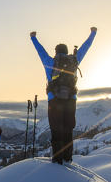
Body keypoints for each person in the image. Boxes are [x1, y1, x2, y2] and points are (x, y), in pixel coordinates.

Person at [30, 27, 97, 164]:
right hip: (71, 101)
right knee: (68, 129)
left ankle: (57, 158)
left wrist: (33, 38)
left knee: (56, 130)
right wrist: (93, 33)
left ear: (56, 52)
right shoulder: (74, 60)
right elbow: (86, 47)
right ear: (67, 52)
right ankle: (68, 157)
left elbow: (40, 51)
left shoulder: (50, 62)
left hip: (54, 100)